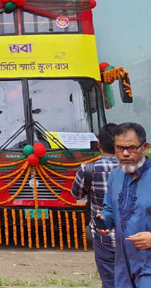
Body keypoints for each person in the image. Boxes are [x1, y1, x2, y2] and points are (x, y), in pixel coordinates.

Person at [98, 122, 151, 288]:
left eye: (131, 148)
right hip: (123, 265)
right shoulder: (115, 176)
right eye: (119, 148)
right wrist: (104, 219)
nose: (125, 154)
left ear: (145, 148)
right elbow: (110, 210)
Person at [71, 123, 118, 288]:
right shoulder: (137, 168)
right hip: (135, 237)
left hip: (104, 236)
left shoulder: (88, 169)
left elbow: (76, 195)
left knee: (110, 281)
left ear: (98, 145)